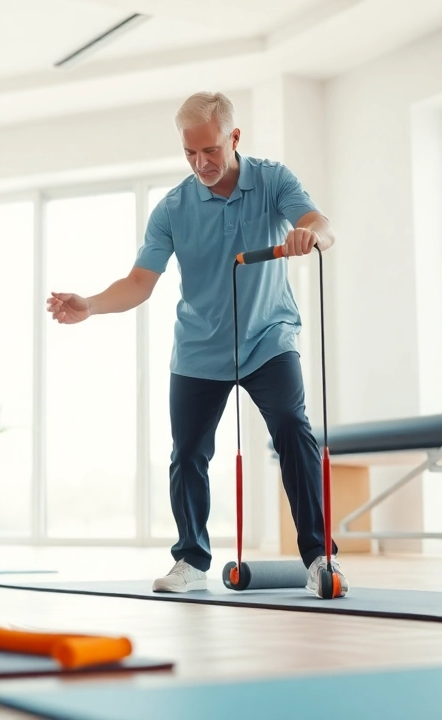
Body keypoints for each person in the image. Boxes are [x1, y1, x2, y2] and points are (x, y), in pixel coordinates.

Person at [45, 91, 346, 597]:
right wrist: (91, 304)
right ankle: (191, 559)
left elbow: (321, 225)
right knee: (187, 453)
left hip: (269, 337)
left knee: (294, 428)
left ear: (233, 137)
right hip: (199, 348)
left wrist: (309, 235)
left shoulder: (273, 180)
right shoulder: (173, 208)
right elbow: (140, 282)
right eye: (189, 153)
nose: (200, 163)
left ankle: (318, 558)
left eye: (209, 150)